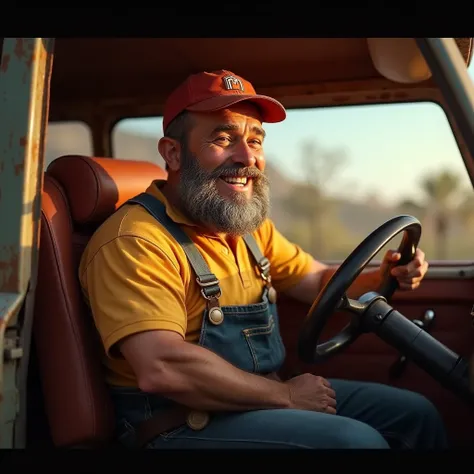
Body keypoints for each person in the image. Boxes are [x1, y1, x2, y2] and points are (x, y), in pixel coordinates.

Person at [79, 69, 448, 450]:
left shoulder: (245, 228)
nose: (246, 157)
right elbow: (162, 367)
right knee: (355, 442)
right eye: (223, 138)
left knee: (415, 415)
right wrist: (287, 398)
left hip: (256, 401)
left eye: (255, 140)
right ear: (173, 153)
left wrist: (383, 276)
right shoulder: (135, 240)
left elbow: (318, 281)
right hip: (176, 424)